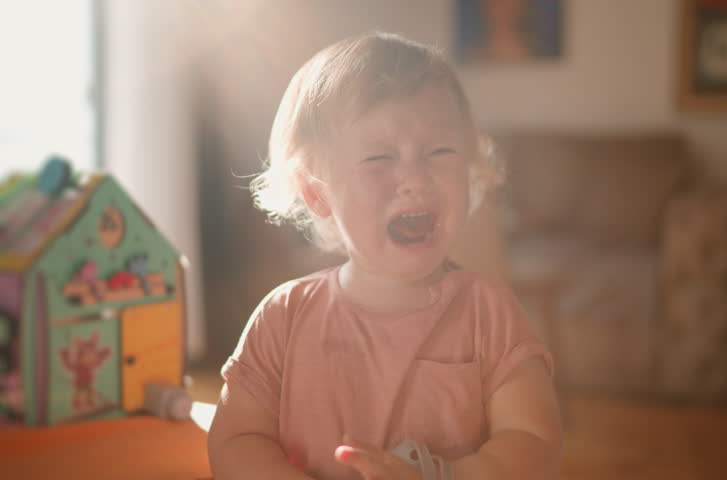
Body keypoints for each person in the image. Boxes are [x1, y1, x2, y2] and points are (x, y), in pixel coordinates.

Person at [207, 31, 563, 480]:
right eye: (379, 158)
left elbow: (535, 443)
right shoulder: (283, 318)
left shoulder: (490, 315)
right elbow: (235, 438)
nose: (414, 178)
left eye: (439, 151)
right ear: (317, 194)